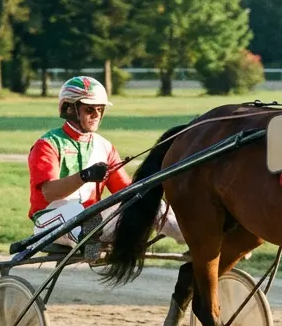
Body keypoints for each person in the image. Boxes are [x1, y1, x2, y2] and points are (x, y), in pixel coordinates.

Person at [27, 76, 183, 248]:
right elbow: (50, 193)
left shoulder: (104, 146)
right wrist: (85, 176)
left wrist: (155, 187)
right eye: (89, 109)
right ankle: (88, 243)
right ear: (70, 109)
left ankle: (195, 240)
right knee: (73, 211)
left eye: (100, 109)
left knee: (149, 201)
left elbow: (126, 190)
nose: (96, 115)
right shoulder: (48, 144)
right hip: (51, 222)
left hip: (94, 222)